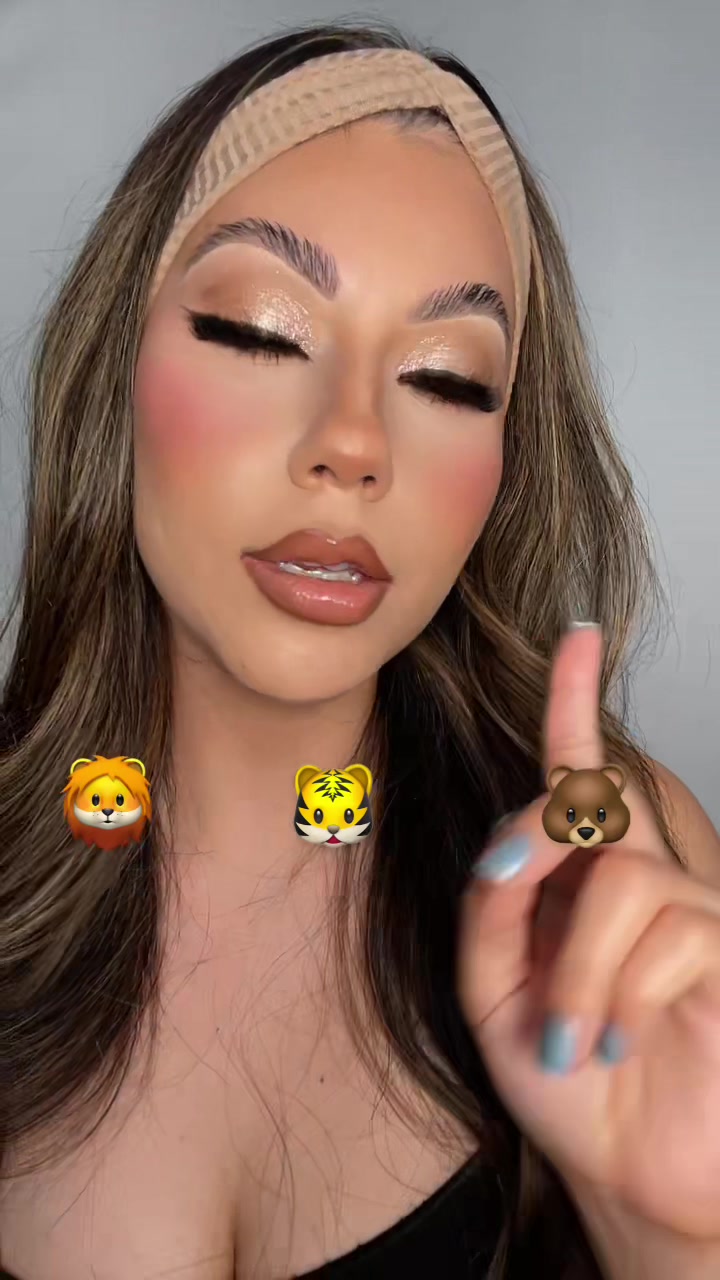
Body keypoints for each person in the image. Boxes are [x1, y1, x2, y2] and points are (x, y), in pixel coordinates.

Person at [0, 18, 718, 1280]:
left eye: (447, 378)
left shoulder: (611, 860)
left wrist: (672, 1235)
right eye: (259, 331)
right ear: (116, 366)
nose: (355, 444)